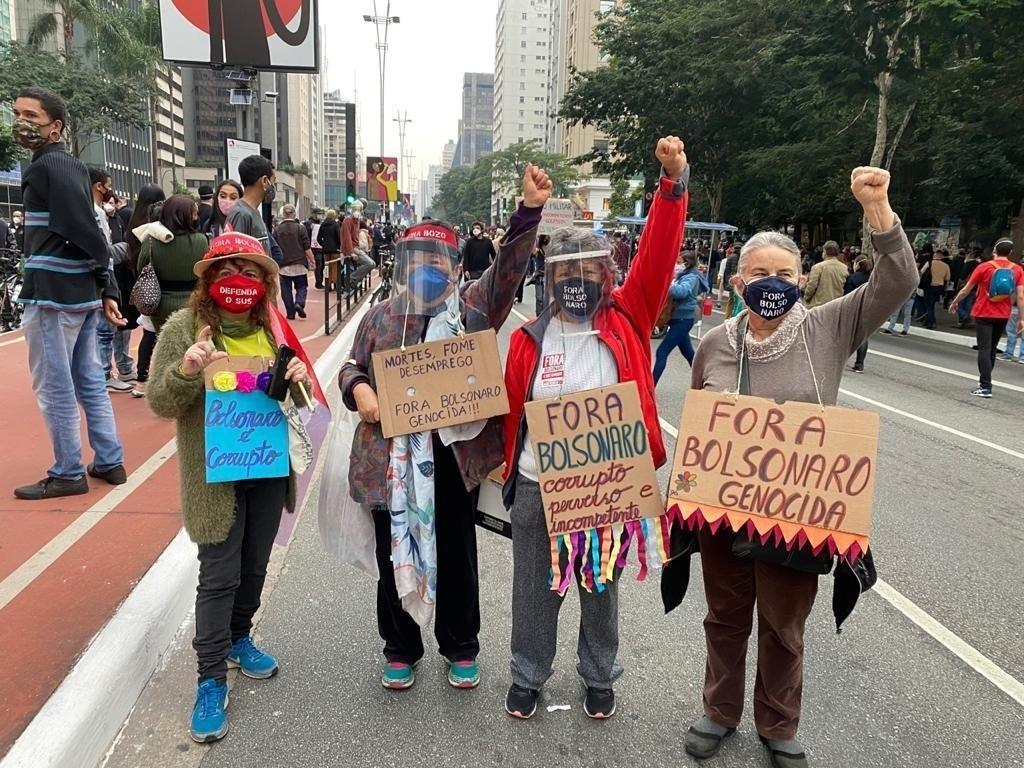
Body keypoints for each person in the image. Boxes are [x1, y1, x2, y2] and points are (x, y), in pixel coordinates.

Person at [683, 166, 917, 768]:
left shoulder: (829, 327)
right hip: (724, 516)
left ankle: (779, 723)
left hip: (796, 517)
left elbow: (899, 281)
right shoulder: (715, 343)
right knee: (725, 618)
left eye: (784, 275)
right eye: (759, 274)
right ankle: (718, 711)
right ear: (738, 282)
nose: (772, 284)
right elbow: (699, 427)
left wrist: (879, 212)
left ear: (802, 280)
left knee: (784, 629)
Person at [338, 165, 550, 694]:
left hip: (455, 461)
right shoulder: (380, 317)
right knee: (395, 555)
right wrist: (358, 390)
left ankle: (461, 645)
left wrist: (528, 212)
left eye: (438, 260)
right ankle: (401, 647)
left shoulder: (473, 313)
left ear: (455, 267)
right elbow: (351, 366)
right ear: (401, 266)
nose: (427, 269)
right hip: (391, 460)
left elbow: (507, 273)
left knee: (456, 554)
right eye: (417, 260)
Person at [501, 137, 688, 722]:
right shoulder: (529, 339)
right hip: (537, 484)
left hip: (607, 482)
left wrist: (672, 183)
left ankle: (599, 674)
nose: (577, 278)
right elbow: (508, 411)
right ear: (551, 277)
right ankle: (528, 674)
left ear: (606, 274)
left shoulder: (627, 316)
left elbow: (659, 254)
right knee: (534, 589)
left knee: (599, 585)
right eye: (566, 270)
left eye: (589, 268)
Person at [147, 232, 318, 743]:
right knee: (218, 574)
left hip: (265, 468)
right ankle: (209, 679)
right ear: (207, 282)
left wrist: (294, 377)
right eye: (224, 272)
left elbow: (303, 398)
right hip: (214, 478)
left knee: (255, 564)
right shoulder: (184, 329)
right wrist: (187, 370)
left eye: (247, 272)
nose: (236, 282)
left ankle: (240, 637)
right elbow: (160, 400)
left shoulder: (274, 326)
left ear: (264, 282)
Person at [12, 86, 128, 500]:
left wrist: (106, 277)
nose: (21, 122)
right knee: (88, 381)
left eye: (31, 115)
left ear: (55, 125)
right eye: (17, 113)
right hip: (77, 292)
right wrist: (104, 281)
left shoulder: (48, 166)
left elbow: (82, 228)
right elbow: (90, 229)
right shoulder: (74, 167)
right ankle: (110, 460)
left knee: (56, 386)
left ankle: (67, 471)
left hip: (53, 293)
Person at [949, 238, 1024, 397]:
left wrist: (955, 302)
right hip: (1003, 313)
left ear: (994, 251)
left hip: (984, 311)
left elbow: (967, 289)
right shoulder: (1017, 270)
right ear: (1010, 252)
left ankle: (985, 386)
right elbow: (1021, 296)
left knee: (984, 348)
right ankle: (985, 381)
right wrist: (1021, 319)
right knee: (992, 348)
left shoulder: (984, 267)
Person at [89, 167, 137, 394]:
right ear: (99, 186)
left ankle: (105, 373)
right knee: (105, 330)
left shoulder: (102, 212)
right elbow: (103, 251)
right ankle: (105, 374)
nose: (110, 190)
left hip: (101, 276)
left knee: (103, 329)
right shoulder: (96, 212)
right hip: (104, 275)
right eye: (107, 185)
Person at [136, 194, 208, 333]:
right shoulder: (201, 241)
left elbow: (141, 268)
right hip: (193, 302)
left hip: (160, 304)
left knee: (163, 344)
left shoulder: (151, 241)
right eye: (194, 214)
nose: (196, 218)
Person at [653, 249, 709, 383]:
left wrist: (666, 284)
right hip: (679, 319)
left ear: (687, 263)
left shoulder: (691, 277)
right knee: (689, 354)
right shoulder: (684, 275)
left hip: (683, 319)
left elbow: (682, 292)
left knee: (662, 351)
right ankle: (704, 382)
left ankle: (650, 386)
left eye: (678, 262)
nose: (676, 265)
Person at [227, 155, 275, 256]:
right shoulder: (241, 214)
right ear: (265, 181)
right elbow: (236, 257)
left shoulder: (253, 212)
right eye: (273, 181)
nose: (273, 187)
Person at [274, 203, 315, 320]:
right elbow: (306, 247)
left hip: (283, 264)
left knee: (286, 290)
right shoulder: (300, 228)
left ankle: (290, 313)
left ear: (283, 214)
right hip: (299, 263)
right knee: (301, 287)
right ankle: (299, 303)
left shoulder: (277, 230)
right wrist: (312, 260)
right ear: (294, 214)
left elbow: (275, 248)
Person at [844, 255, 874, 371]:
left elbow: (847, 295)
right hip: (868, 309)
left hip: (854, 308)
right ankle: (859, 364)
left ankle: (841, 360)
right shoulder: (873, 278)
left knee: (846, 335)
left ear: (857, 264)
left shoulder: (852, 278)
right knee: (863, 337)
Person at [801, 240, 847, 308]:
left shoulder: (818, 267)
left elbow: (811, 286)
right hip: (836, 305)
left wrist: (806, 298)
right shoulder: (844, 268)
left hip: (818, 305)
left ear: (825, 252)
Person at [923, 246, 950, 329]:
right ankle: (930, 320)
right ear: (941, 256)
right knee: (933, 304)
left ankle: (930, 322)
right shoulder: (946, 266)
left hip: (929, 286)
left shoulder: (929, 263)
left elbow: (922, 271)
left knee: (928, 304)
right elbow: (947, 278)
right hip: (939, 287)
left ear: (934, 255)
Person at [955, 246, 982, 328]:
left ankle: (964, 317)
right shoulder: (981, 264)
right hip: (976, 287)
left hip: (966, 286)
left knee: (959, 303)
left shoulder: (968, 263)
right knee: (968, 304)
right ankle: (965, 321)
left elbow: (963, 276)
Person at [316, 209, 341, 290]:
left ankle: (328, 285)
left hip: (326, 250)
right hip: (335, 250)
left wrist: (323, 245)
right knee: (335, 267)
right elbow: (339, 237)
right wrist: (339, 246)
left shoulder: (323, 225)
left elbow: (319, 238)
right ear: (334, 216)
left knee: (327, 267)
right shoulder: (336, 225)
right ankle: (336, 284)